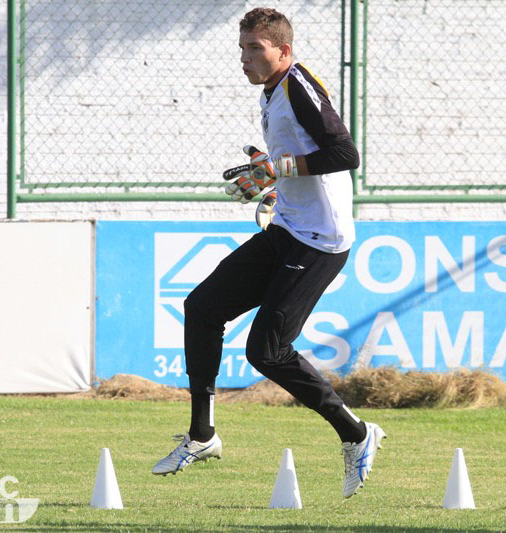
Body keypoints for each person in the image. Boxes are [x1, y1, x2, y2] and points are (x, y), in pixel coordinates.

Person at [152, 7, 386, 499]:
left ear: (284, 50)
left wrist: (278, 167)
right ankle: (202, 435)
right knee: (202, 307)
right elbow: (299, 163)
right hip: (287, 228)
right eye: (241, 48)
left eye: (255, 49)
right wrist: (273, 178)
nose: (245, 58)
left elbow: (345, 155)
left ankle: (357, 434)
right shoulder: (272, 89)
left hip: (320, 242)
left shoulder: (298, 86)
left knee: (266, 350)